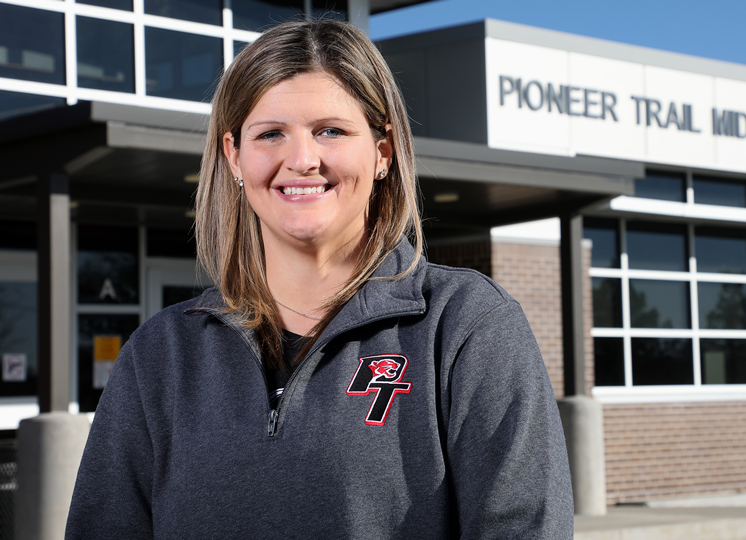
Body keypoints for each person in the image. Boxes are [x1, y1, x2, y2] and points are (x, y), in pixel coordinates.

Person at [66, 17, 573, 539]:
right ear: (234, 157)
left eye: (331, 131)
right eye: (270, 134)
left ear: (382, 151)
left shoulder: (466, 327)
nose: (302, 160)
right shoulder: (160, 355)